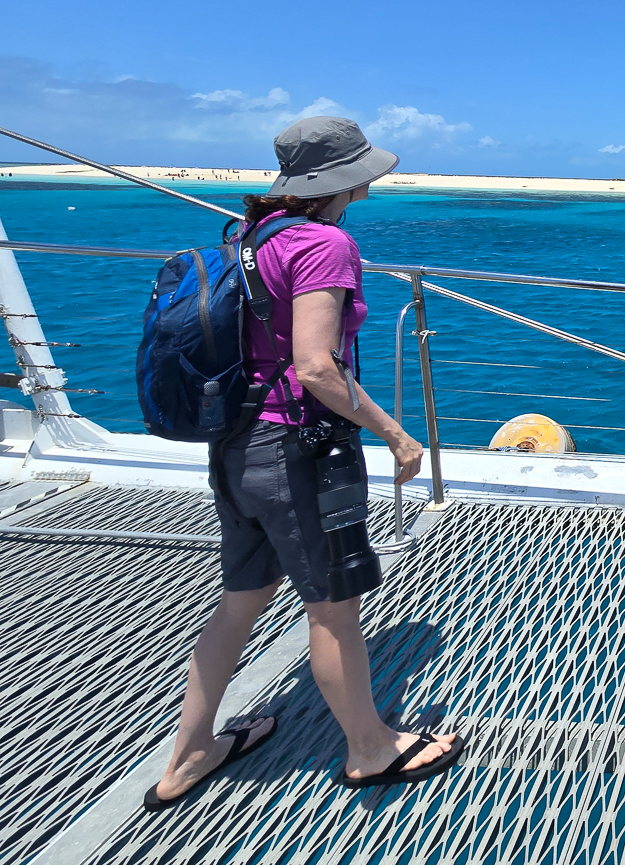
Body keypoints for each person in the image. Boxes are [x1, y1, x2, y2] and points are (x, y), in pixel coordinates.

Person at [148, 116, 463, 810]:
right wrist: (396, 435)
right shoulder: (325, 242)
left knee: (239, 605)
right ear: (345, 179)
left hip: (236, 448)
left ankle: (191, 752)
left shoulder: (251, 236)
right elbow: (316, 367)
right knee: (332, 610)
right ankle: (371, 749)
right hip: (299, 451)